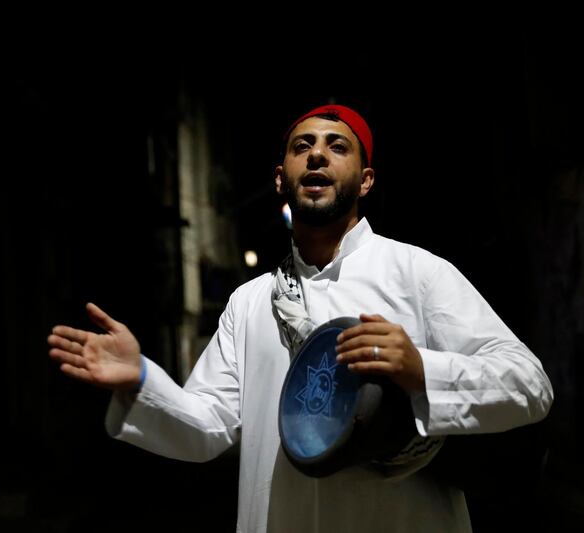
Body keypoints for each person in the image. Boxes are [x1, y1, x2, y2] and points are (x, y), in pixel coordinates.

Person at [47, 104, 553, 532]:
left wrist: (422, 370)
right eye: (302, 146)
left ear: (366, 179)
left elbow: (530, 385)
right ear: (280, 178)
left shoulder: (417, 272)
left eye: (338, 146)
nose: (317, 154)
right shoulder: (249, 302)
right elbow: (208, 428)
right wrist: (140, 379)